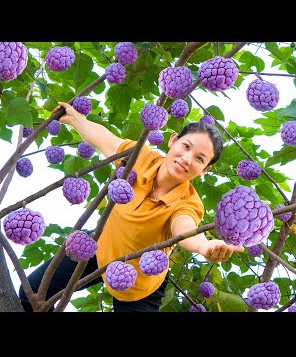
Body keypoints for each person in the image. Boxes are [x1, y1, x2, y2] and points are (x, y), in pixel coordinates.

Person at [19, 101, 244, 312]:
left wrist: (203, 246)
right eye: (186, 146)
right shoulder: (141, 156)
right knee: (30, 294)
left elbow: (184, 229)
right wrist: (76, 118)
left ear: (204, 170)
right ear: (173, 140)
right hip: (100, 247)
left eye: (199, 159)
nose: (186, 158)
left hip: (139, 284)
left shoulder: (189, 203)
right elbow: (104, 139)